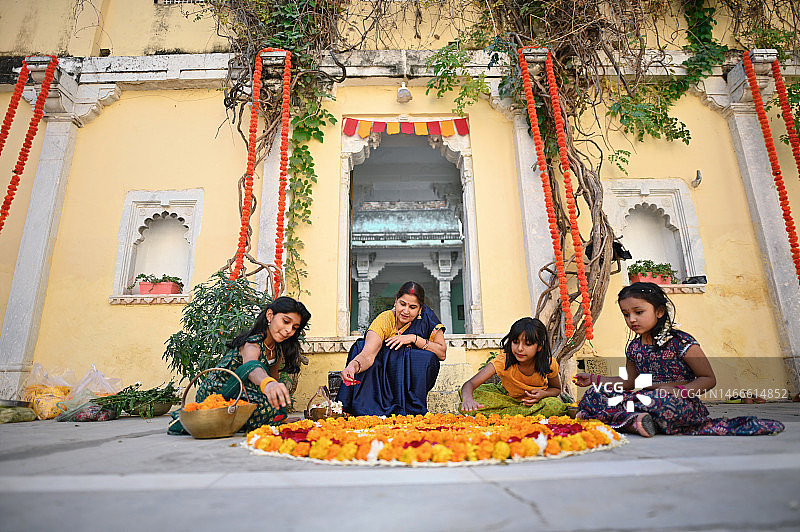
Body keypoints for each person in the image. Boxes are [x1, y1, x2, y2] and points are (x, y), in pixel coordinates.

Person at [575, 282, 784, 437]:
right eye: (626, 314)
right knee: (596, 394)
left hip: (677, 402)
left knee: (657, 402)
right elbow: (629, 383)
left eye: (638, 312)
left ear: (659, 311)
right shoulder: (634, 347)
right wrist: (594, 379)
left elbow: (708, 379)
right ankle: (637, 421)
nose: (632, 320)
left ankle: (629, 420)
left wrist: (678, 391)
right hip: (644, 399)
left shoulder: (682, 341)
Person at [169, 296, 311, 434]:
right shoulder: (252, 344)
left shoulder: (277, 350)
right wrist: (268, 384)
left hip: (245, 392)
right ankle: (199, 416)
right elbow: (252, 368)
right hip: (218, 391)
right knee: (262, 406)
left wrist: (281, 412)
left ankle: (240, 420)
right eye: (285, 321)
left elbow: (275, 381)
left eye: (294, 327)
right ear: (270, 315)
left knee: (268, 405)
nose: (289, 330)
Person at [338, 281, 446, 416]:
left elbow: (442, 353)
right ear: (396, 301)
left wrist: (414, 339)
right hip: (384, 376)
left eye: (412, 307)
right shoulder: (385, 320)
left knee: (424, 357)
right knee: (360, 346)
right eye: (402, 304)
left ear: (420, 309)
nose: (406, 311)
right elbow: (367, 355)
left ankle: (411, 408)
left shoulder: (428, 319)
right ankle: (370, 407)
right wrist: (352, 366)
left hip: (412, 379)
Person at [460, 317, 568, 417]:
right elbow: (470, 384)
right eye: (515, 342)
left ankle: (507, 416)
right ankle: (520, 414)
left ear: (539, 346)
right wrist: (468, 399)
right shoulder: (503, 361)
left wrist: (543, 394)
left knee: (554, 406)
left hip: (536, 403)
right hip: (506, 400)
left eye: (528, 344)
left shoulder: (548, 363)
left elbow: (556, 389)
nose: (520, 348)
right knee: (468, 396)